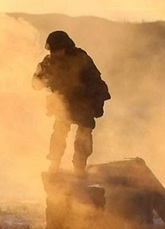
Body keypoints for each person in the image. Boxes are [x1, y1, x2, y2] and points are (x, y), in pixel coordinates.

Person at [33, 30, 111, 177]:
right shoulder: (49, 62)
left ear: (65, 47)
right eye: (53, 51)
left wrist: (96, 102)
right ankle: (54, 164)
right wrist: (43, 79)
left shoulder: (81, 59)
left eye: (58, 50)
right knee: (59, 133)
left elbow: (96, 82)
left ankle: (79, 168)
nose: (55, 53)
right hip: (63, 103)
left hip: (83, 102)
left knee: (84, 135)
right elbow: (35, 83)